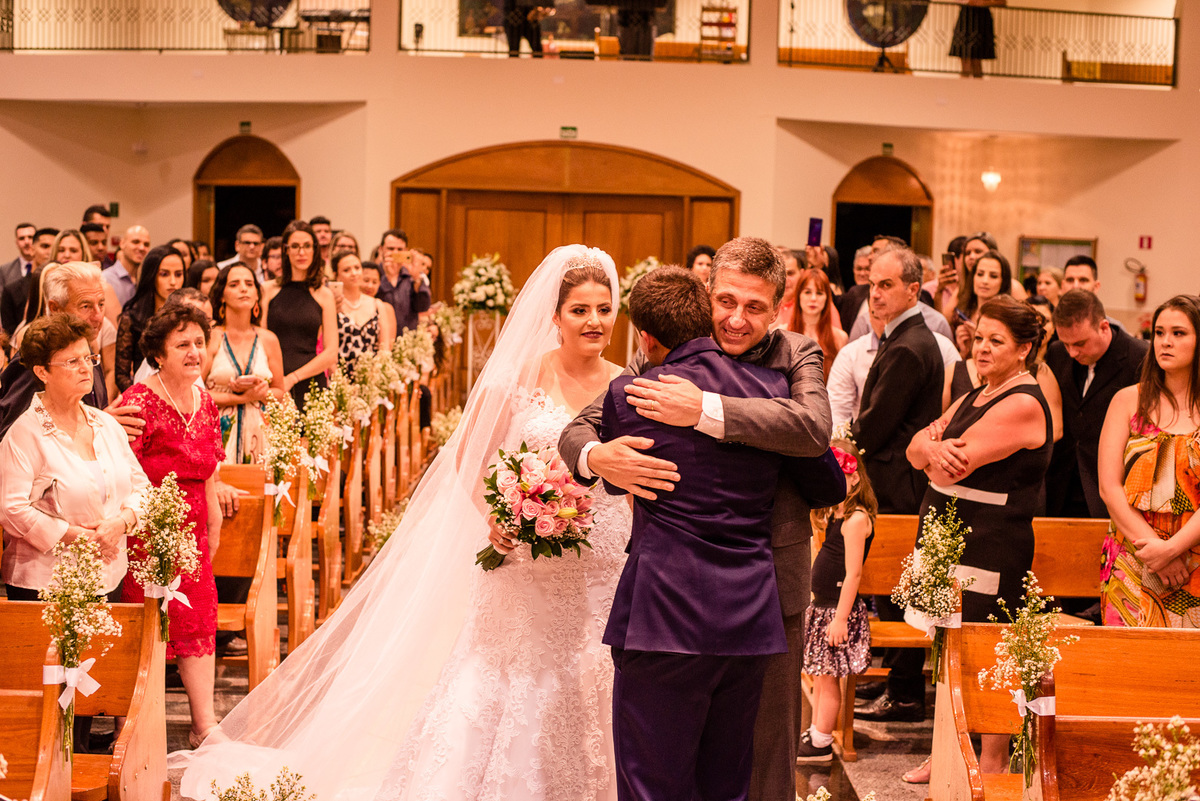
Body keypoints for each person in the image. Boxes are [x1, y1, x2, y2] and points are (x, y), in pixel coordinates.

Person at [180, 245, 633, 801]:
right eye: (581, 310)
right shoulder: (519, 378)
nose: (594, 322)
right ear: (556, 316)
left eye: (604, 309)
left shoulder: (628, 384)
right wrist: (500, 513)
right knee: (506, 677)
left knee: (594, 673)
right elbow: (469, 457)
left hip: (601, 561)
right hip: (525, 556)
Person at [558, 237, 841, 801]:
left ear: (779, 309)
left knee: (762, 756)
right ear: (708, 293)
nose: (737, 320)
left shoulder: (795, 355)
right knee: (677, 757)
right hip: (675, 588)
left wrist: (706, 409)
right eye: (727, 302)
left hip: (766, 582)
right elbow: (582, 425)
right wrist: (598, 457)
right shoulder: (668, 348)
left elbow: (812, 427)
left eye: (755, 308)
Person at [902, 294, 1052, 782]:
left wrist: (932, 448)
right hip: (950, 536)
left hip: (989, 543)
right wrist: (929, 447)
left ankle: (988, 763)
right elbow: (914, 450)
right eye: (979, 338)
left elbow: (952, 466)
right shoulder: (976, 393)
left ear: (1024, 348)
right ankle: (947, 748)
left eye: (996, 341)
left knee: (988, 654)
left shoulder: (1024, 400)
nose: (982, 348)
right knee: (949, 649)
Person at [119, 303, 224, 748]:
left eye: (199, 343)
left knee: (197, 621)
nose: (194, 351)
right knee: (148, 626)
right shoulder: (139, 400)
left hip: (195, 527)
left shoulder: (207, 401)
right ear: (159, 354)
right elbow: (119, 466)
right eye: (182, 344)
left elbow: (210, 470)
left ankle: (206, 725)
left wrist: (215, 517)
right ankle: (137, 726)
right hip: (147, 531)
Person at [853, 246, 944, 724]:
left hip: (900, 486)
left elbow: (876, 426)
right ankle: (898, 685)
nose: (876, 294)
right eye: (872, 284)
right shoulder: (901, 336)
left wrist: (848, 443)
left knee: (899, 591)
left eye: (886, 285)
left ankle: (906, 692)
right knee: (893, 590)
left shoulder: (910, 344)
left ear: (914, 290)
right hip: (896, 481)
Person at [0, 313, 149, 602]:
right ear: (43, 372)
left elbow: (142, 488)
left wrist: (120, 523)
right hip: (46, 583)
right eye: (72, 362)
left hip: (109, 575)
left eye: (89, 359)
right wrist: (81, 537)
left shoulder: (105, 424)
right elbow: (11, 509)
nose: (86, 369)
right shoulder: (24, 434)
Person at [1099, 295, 1200, 628]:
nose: (1165, 342)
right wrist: (1156, 550)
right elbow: (1109, 487)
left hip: (1193, 560)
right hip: (1134, 557)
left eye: (1179, 333)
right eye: (1159, 332)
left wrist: (1173, 551)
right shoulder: (1129, 400)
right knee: (1128, 669)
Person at [796, 439, 875, 764]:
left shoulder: (857, 519)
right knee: (820, 674)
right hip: (825, 607)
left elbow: (853, 575)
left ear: (855, 478)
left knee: (828, 681)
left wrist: (840, 618)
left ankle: (822, 742)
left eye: (839, 474)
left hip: (836, 611)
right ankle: (816, 730)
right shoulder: (837, 515)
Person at [1045, 290, 1149, 517]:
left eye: (1080, 343)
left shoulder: (1141, 358)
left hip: (1110, 489)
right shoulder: (1056, 353)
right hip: (1060, 486)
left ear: (1103, 327)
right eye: (1066, 344)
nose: (1072, 352)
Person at [205, 264, 285, 464]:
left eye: (249, 284)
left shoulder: (269, 339)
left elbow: (280, 391)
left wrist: (262, 391)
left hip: (261, 433)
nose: (243, 289)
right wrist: (238, 398)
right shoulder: (212, 337)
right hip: (219, 430)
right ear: (221, 295)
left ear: (257, 296)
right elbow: (196, 392)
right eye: (234, 284)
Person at [261, 221, 337, 411]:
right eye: (295, 246)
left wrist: (293, 378)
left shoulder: (324, 294)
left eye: (306, 246)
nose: (301, 252)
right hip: (272, 381)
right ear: (285, 250)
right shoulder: (268, 290)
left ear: (314, 250)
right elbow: (259, 341)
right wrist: (279, 382)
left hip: (310, 382)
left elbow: (330, 353)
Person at [115, 244, 185, 392]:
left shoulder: (187, 317)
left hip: (184, 395)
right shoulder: (133, 317)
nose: (173, 281)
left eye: (178, 274)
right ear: (151, 275)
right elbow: (121, 374)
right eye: (164, 274)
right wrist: (141, 397)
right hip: (144, 397)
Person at [334, 250, 396, 374]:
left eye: (357, 268)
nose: (354, 273)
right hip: (340, 377)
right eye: (346, 270)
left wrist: (372, 379)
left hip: (371, 378)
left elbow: (385, 349)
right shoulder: (333, 304)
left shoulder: (377, 304)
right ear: (337, 275)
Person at [789, 267, 847, 381]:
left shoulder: (840, 338)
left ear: (827, 298)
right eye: (807, 292)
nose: (813, 298)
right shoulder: (782, 333)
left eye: (819, 293)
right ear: (799, 295)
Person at [953, 249, 1012, 358]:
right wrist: (964, 351)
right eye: (980, 274)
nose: (985, 281)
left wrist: (979, 339)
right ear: (973, 277)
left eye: (993, 276)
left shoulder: (1008, 318)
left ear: (1003, 281)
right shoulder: (963, 309)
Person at [376, 229, 430, 333]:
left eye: (400, 249)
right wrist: (388, 278)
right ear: (381, 249)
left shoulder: (411, 275)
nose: (395, 253)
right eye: (391, 249)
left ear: (406, 250)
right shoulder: (375, 274)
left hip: (407, 340)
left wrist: (416, 278)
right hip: (381, 337)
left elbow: (423, 306)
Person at [102, 224, 150, 312]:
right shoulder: (105, 278)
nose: (142, 247)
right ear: (122, 243)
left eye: (146, 244)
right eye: (136, 242)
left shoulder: (147, 280)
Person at [950, 0, 1002, 78]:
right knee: (965, 60)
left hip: (981, 20)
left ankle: (977, 86)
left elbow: (1002, 2)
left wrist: (984, 3)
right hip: (966, 18)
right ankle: (964, 85)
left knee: (976, 61)